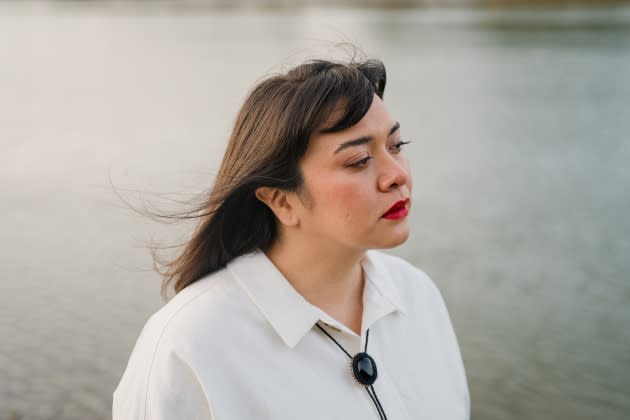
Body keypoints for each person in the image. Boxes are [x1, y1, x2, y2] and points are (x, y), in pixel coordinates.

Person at [113, 57, 470, 420]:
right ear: (281, 200)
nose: (396, 175)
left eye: (396, 145)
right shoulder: (189, 345)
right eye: (360, 160)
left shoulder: (416, 295)